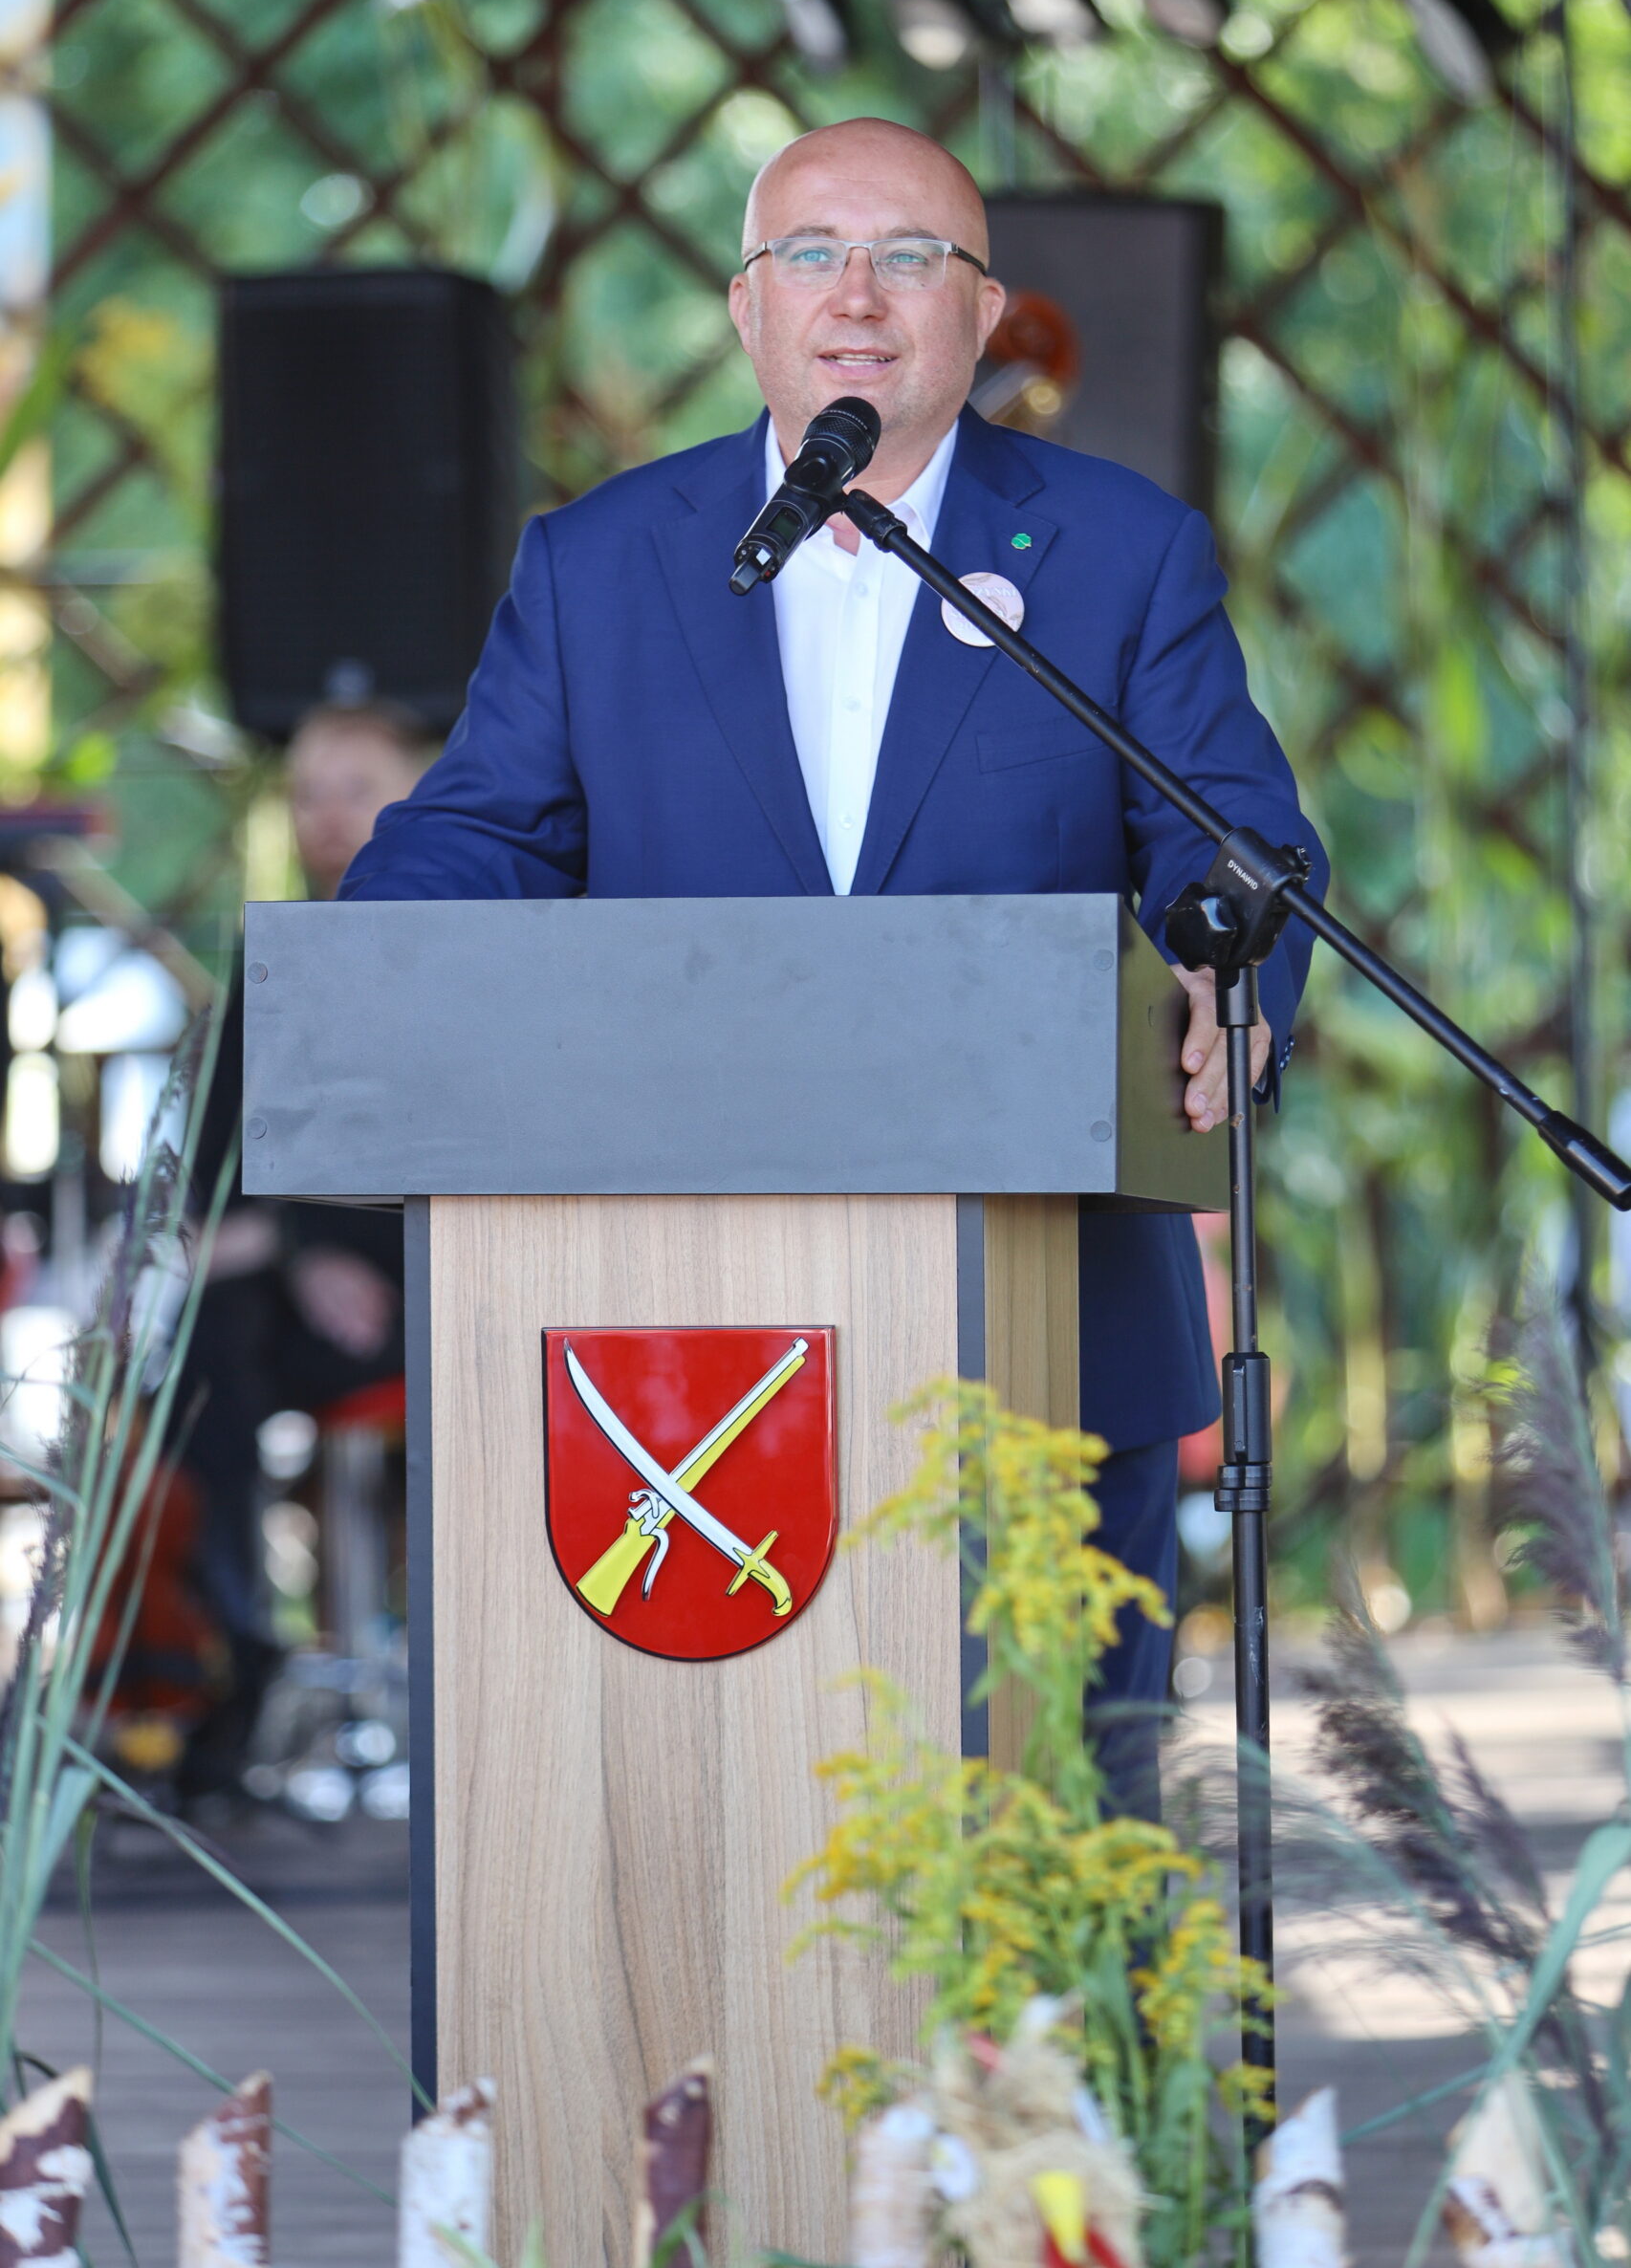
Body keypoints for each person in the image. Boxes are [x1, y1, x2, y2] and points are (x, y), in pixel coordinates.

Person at [340, 118, 1329, 1805]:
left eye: (907, 257)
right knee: (724, 1821)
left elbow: (1226, 837)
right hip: (688, 1355)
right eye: (808, 254)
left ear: (983, 311)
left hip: (1054, 1331)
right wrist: (363, 971)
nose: (854, 295)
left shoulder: (1116, 549)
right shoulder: (598, 563)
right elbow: (484, 831)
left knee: (1060, 1825)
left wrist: (1227, 971)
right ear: (747, 305)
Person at [173, 699, 431, 1801]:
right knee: (202, 1345)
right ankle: (236, 1648)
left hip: (428, 1277)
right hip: (292, 1298)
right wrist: (296, 1248)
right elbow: (217, 1171)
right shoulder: (271, 957)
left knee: (220, 1336)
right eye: (307, 794)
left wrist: (321, 1240)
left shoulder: (454, 948)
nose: (327, 815)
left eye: (355, 789)